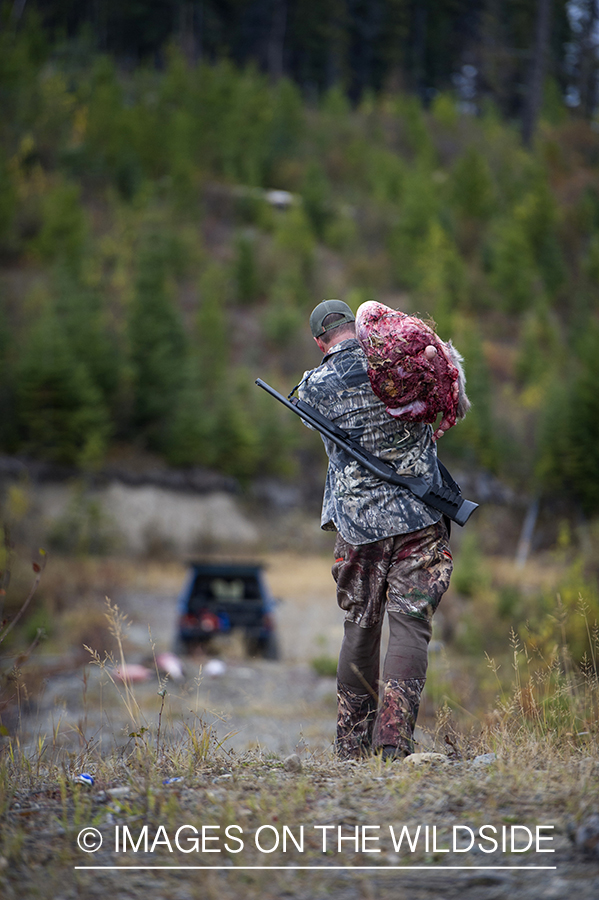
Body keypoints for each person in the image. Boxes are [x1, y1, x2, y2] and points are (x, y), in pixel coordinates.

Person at [297, 299, 457, 761]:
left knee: (360, 628)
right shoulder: (400, 365)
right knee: (410, 626)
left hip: (358, 526)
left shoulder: (313, 387)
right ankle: (393, 744)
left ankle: (351, 748)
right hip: (420, 519)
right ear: (357, 325)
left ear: (319, 341)